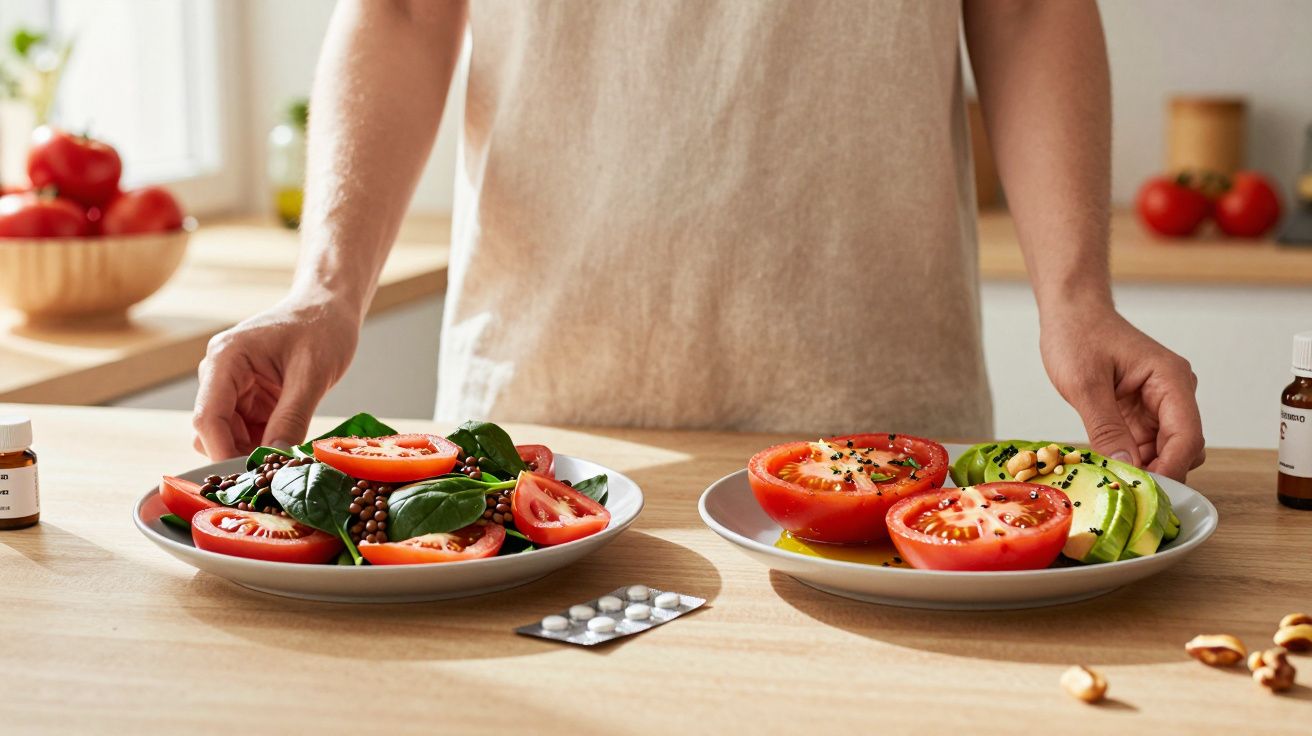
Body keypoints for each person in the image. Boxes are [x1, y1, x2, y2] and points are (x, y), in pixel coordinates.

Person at [192, 1, 1205, 480]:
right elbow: (405, 11)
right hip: (536, 431)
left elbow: (1026, 9)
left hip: (882, 423)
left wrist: (1076, 297)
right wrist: (325, 289)